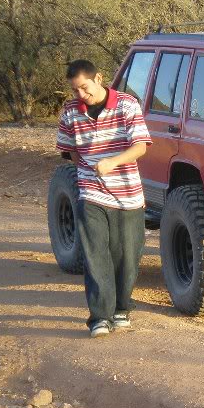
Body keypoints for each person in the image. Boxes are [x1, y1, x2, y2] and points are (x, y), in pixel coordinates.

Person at [56, 59, 152, 338]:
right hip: (91, 191)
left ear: (99, 78)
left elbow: (140, 147)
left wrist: (112, 162)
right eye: (75, 91)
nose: (80, 96)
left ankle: (121, 309)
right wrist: (87, 167)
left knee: (126, 257)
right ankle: (100, 316)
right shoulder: (70, 111)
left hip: (128, 195)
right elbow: (69, 149)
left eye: (84, 88)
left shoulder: (126, 105)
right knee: (95, 254)